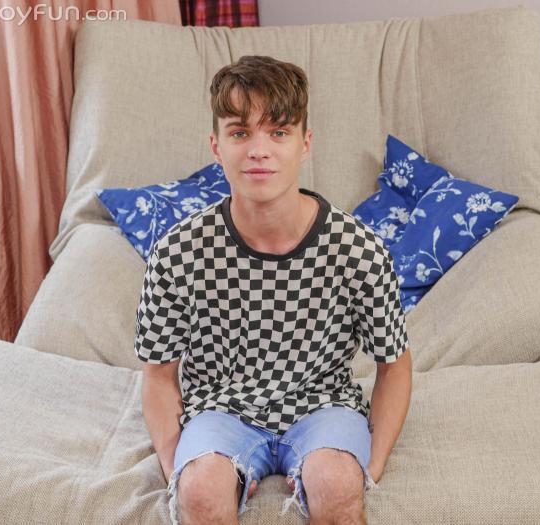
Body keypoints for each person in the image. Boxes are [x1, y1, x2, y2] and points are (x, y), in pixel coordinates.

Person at [134, 55, 412, 525]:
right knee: (200, 488)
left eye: (279, 132)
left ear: (305, 144)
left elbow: (395, 365)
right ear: (217, 146)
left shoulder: (360, 250)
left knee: (336, 482)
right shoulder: (177, 252)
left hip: (325, 405)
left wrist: (372, 468)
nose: (259, 150)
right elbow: (159, 375)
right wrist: (177, 470)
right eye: (240, 133)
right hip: (219, 408)